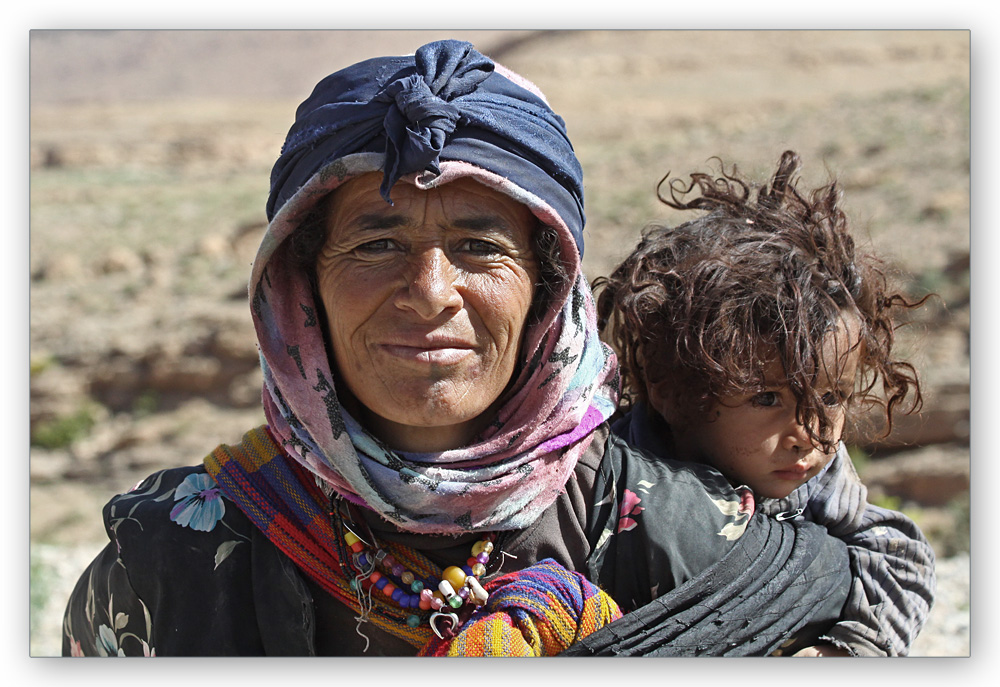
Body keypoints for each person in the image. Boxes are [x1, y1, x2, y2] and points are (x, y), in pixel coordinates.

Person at [61, 41, 851, 657]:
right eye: (375, 244)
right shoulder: (171, 560)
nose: (431, 290)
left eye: (479, 246)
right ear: (302, 286)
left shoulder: (682, 535)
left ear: (547, 288)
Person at [592, 150, 936, 656]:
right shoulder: (610, 463)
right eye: (768, 397)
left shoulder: (820, 478)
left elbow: (900, 557)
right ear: (671, 390)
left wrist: (846, 650)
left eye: (832, 396)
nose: (809, 432)